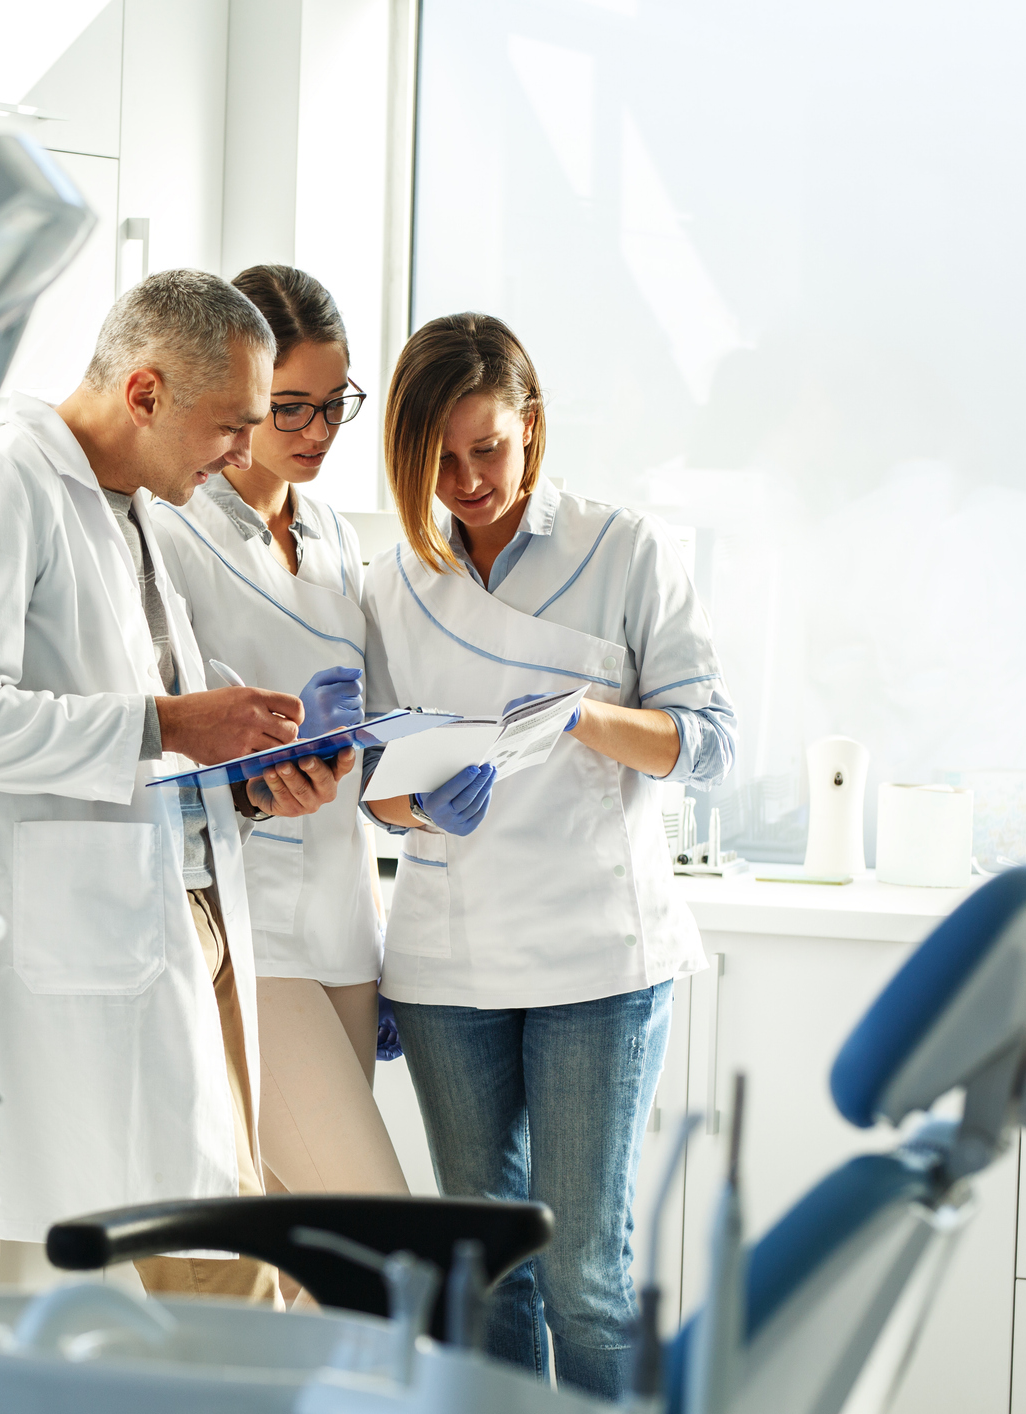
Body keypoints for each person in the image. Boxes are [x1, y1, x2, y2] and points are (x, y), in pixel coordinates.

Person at [0, 268, 359, 1304]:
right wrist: (171, 724)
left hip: (188, 921)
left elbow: (147, 732)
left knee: (226, 1255)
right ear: (145, 392)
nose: (247, 452)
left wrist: (246, 774)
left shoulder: (129, 504)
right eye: (231, 424)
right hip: (94, 936)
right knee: (222, 1286)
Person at [360, 313, 735, 1394]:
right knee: (486, 1275)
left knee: (585, 1275)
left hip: (594, 958)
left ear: (530, 426)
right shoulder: (393, 585)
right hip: (448, 959)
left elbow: (708, 743)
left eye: (489, 448)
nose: (469, 479)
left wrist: (582, 719)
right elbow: (373, 792)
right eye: (440, 456)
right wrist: (416, 808)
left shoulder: (625, 551)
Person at [143, 265, 409, 1228]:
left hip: (343, 920)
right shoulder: (169, 530)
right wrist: (262, 745)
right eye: (289, 408)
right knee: (378, 1237)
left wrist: (406, 772)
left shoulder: (337, 536)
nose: (315, 434)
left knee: (305, 1266)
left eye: (334, 406)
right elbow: (153, 746)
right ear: (241, 397)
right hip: (246, 923)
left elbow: (367, 747)